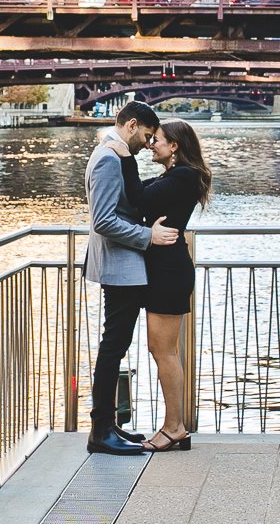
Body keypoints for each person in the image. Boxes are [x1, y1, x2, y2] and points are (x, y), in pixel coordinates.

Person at [108, 119, 211, 453]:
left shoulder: (183, 176)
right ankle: (174, 426)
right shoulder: (173, 176)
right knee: (163, 350)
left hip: (169, 271)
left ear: (175, 146)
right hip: (163, 269)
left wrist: (124, 155)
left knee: (163, 351)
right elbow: (141, 197)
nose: (151, 144)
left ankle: (174, 427)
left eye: (157, 140)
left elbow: (137, 198)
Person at [84, 101, 177, 455]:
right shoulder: (109, 159)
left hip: (121, 266)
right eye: (147, 135)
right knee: (113, 348)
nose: (148, 144)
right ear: (132, 125)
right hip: (120, 266)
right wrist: (147, 236)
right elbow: (104, 220)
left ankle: (109, 426)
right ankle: (100, 430)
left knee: (115, 346)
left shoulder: (111, 153)